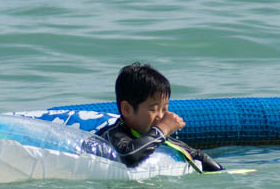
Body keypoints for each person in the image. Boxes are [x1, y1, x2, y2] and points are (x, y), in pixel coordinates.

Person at [95, 63, 224, 172]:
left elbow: (194, 155)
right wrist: (163, 129)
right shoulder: (113, 135)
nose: (161, 116)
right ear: (127, 109)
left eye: (164, 109)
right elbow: (129, 155)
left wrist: (218, 170)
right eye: (153, 109)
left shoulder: (158, 138)